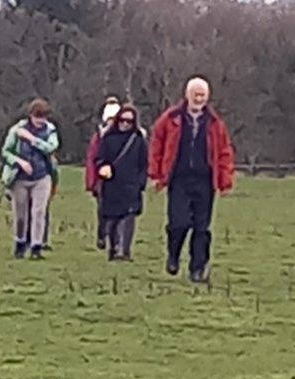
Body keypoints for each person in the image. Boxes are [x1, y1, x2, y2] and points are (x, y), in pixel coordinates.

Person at [148, 76, 236, 283]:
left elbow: (224, 152)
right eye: (196, 95)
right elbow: (156, 146)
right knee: (178, 223)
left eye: (203, 95)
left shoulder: (215, 124)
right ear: (187, 95)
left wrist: (225, 181)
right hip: (179, 179)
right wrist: (156, 174)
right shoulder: (170, 119)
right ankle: (173, 255)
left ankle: (197, 268)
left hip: (205, 181)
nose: (199, 99)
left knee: (201, 228)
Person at [0, 98, 60, 259]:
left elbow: (51, 148)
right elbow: (5, 152)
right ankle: (20, 243)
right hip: (19, 178)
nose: (40, 121)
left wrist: (31, 140)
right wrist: (19, 162)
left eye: (44, 117)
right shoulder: (17, 130)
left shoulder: (50, 130)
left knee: (39, 212)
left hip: (42, 176)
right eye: (37, 117)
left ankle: (36, 247)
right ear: (31, 115)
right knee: (21, 214)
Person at [96, 105, 149, 260]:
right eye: (123, 120)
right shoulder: (108, 139)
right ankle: (113, 248)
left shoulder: (138, 140)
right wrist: (102, 167)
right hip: (112, 184)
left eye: (130, 121)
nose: (126, 124)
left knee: (128, 217)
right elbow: (99, 158)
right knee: (112, 218)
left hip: (131, 184)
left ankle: (124, 251)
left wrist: (141, 182)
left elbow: (144, 163)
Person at [85, 98, 122, 247]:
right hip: (102, 180)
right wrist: (92, 182)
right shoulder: (99, 138)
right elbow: (92, 159)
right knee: (103, 209)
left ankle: (116, 239)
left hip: (121, 180)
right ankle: (102, 235)